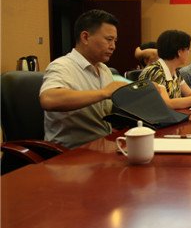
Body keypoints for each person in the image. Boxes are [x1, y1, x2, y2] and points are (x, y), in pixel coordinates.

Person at [40, 9, 128, 149]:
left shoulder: (104, 69)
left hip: (102, 145)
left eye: (114, 41)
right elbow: (49, 99)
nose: (113, 46)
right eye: (109, 40)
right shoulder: (62, 66)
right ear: (85, 37)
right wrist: (104, 92)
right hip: (70, 152)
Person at [139, 30, 191, 109]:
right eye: (187, 49)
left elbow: (190, 94)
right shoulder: (155, 71)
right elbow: (167, 104)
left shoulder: (175, 72)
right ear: (179, 52)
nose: (189, 52)